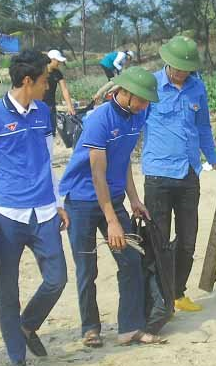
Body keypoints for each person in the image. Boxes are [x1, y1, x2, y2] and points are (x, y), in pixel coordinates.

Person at [0, 51, 68, 366]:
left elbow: (49, 160)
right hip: (7, 216)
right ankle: (15, 356)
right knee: (8, 288)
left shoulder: (44, 113)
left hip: (44, 212)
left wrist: (59, 201)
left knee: (57, 279)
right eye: (43, 80)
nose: (47, 85)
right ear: (27, 81)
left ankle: (27, 325)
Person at [58, 66, 165, 348]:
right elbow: (97, 173)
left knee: (130, 261)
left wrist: (134, 199)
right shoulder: (100, 119)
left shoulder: (137, 116)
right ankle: (90, 328)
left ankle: (130, 328)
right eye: (141, 99)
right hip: (81, 200)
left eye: (146, 102)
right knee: (86, 266)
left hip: (113, 197)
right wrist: (113, 221)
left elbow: (124, 159)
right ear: (125, 93)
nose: (144, 106)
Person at [142, 36, 216, 312]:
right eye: (177, 68)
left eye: (186, 69)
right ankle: (158, 299)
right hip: (158, 176)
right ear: (167, 62)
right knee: (158, 241)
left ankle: (177, 293)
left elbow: (203, 128)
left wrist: (213, 160)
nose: (181, 73)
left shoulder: (197, 88)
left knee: (188, 239)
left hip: (189, 174)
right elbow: (133, 123)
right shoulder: (150, 86)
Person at [43, 49, 77, 120]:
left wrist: (69, 106)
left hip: (51, 105)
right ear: (51, 59)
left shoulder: (57, 73)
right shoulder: (40, 71)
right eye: (58, 61)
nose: (59, 63)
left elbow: (64, 89)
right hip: (40, 104)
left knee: (52, 127)